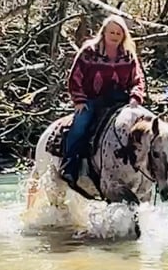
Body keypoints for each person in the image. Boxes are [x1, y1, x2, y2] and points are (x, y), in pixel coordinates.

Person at [61, 14, 146, 187]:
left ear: (124, 35)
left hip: (121, 101)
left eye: (118, 33)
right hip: (92, 100)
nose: (115, 36)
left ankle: (145, 169)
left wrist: (135, 97)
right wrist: (79, 100)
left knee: (145, 129)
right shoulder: (89, 52)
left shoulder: (128, 55)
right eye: (112, 32)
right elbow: (75, 77)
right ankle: (69, 165)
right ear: (104, 32)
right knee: (81, 124)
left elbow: (138, 79)